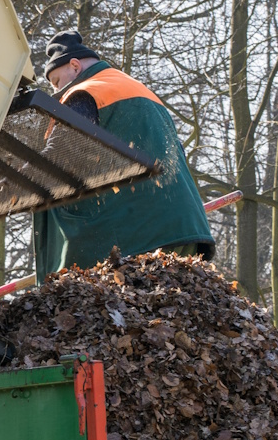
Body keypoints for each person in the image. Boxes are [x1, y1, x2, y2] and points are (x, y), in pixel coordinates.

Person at [31, 31, 214, 280]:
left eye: (56, 81)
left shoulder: (84, 94)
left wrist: (2, 190)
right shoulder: (139, 92)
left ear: (74, 66)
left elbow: (57, 157)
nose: (56, 91)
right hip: (185, 231)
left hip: (134, 241)